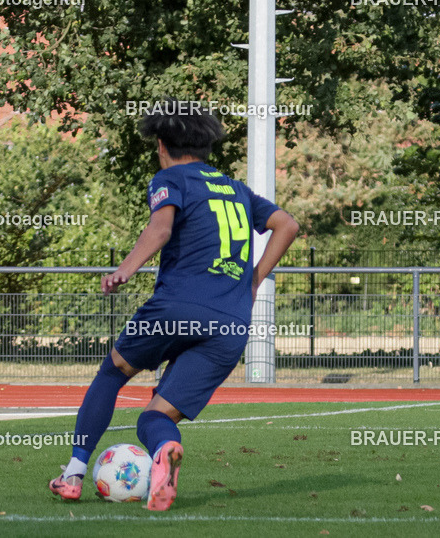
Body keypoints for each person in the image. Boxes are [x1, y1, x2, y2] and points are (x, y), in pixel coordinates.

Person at [48, 101, 299, 511]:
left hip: (176, 308)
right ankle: (165, 449)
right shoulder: (236, 189)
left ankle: (74, 472)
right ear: (206, 147)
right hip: (232, 323)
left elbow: (161, 227)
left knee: (112, 373)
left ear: (162, 145)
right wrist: (252, 280)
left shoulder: (170, 178)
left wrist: (125, 270)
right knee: (154, 418)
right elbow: (288, 225)